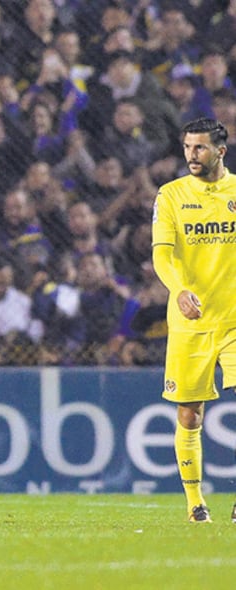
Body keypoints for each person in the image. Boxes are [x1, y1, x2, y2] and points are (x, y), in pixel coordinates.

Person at [151, 117, 236, 523]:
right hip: (190, 322)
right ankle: (195, 503)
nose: (191, 155)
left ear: (221, 150)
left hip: (235, 321)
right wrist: (179, 289)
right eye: (187, 147)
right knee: (189, 414)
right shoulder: (171, 195)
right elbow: (162, 254)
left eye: (199, 148)